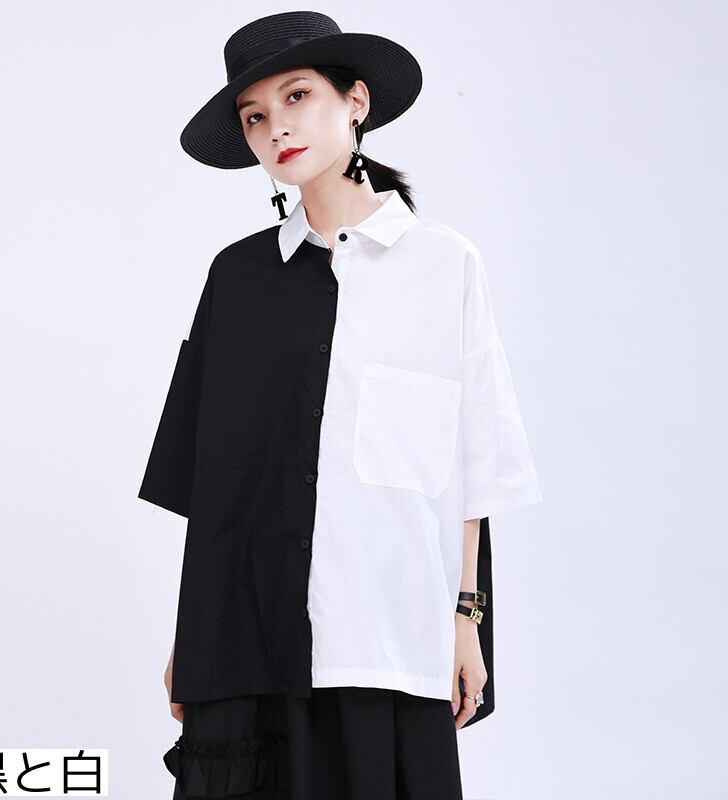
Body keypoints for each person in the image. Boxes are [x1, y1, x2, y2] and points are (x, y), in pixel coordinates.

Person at [139, 11, 543, 800]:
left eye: (296, 97)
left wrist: (466, 619)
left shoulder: (445, 267)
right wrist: (194, 636)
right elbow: (211, 483)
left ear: (356, 101)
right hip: (249, 641)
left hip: (387, 642)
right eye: (255, 117)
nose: (276, 128)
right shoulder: (237, 279)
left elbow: (474, 465)